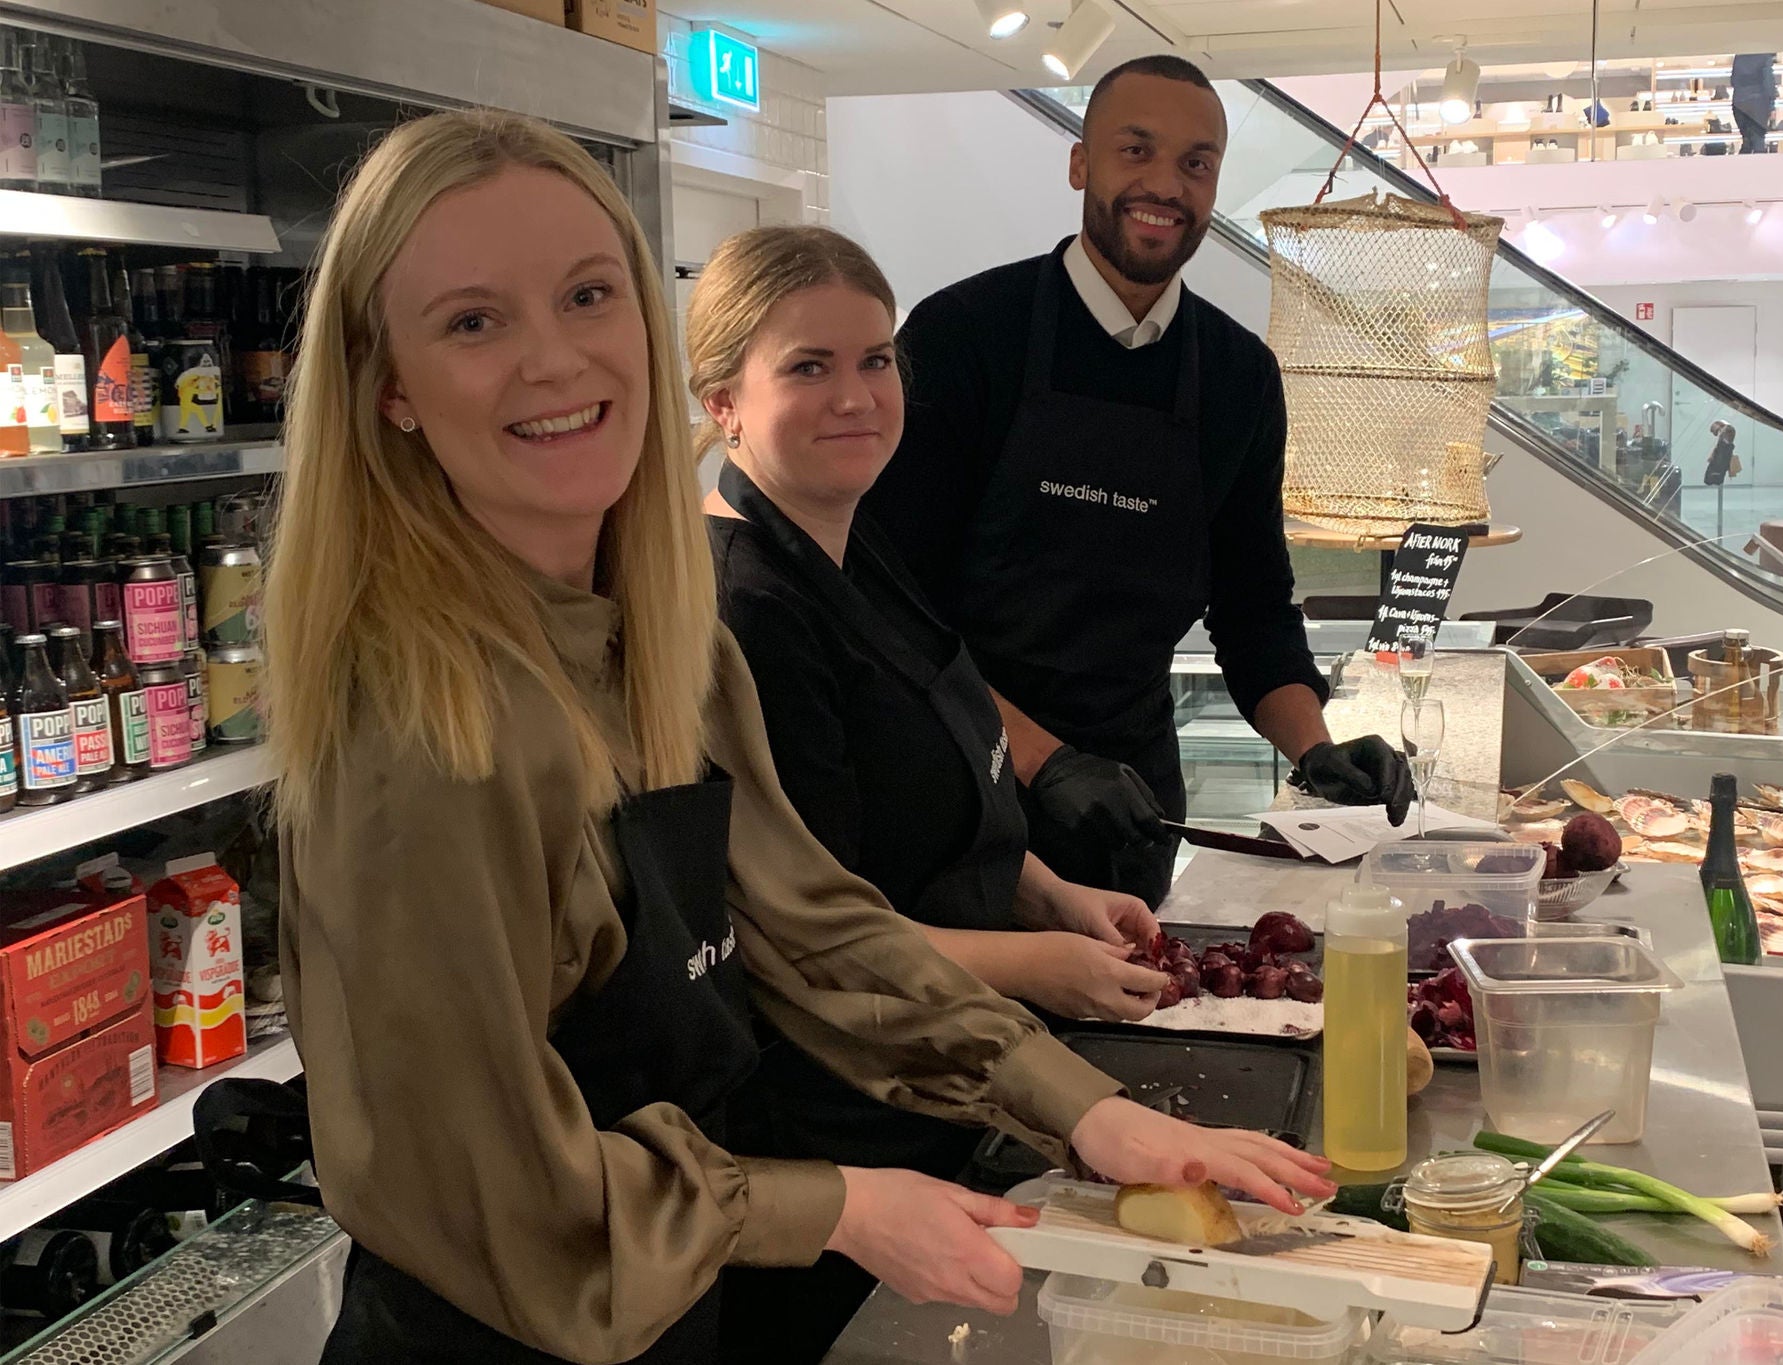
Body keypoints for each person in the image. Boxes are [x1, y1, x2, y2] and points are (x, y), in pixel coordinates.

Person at [260, 109, 1334, 1365]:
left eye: (588, 295)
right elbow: (483, 1189)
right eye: (473, 321)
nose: (554, 362)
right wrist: (840, 1204)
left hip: (673, 1314)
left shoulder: (661, 642)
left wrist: (1090, 1115)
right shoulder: (420, 739)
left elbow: (811, 923)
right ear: (387, 384)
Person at [695, 224, 1175, 1362]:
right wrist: (1044, 970)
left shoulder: (857, 549)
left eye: (874, 359)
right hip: (838, 1133)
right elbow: (814, 936)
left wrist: (1052, 895)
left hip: (945, 1089)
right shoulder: (747, 613)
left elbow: (933, 804)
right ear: (721, 403)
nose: (857, 395)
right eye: (807, 367)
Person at [866, 54, 1413, 909]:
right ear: (1081, 163)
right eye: (1136, 150)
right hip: (960, 803)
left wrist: (1316, 748)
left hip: (1132, 814)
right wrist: (1047, 762)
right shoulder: (963, 337)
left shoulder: (1237, 375)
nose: (1166, 184)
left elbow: (1253, 608)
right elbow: (894, 619)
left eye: (1196, 164)